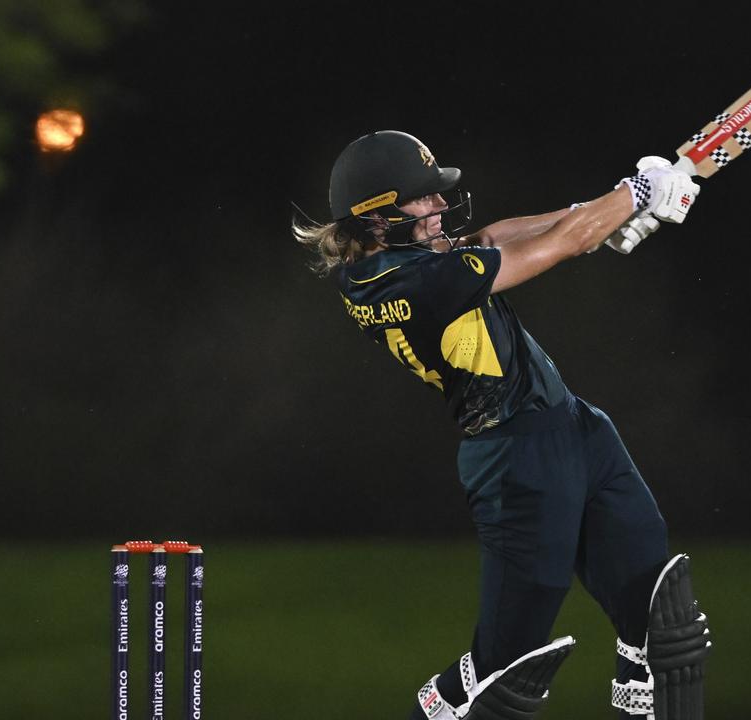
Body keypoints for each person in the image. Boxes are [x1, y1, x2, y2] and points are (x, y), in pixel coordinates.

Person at [293, 130, 712, 720]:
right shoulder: (412, 282)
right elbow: (551, 248)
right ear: (375, 217)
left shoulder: (403, 259)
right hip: (516, 461)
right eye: (423, 200)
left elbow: (496, 234)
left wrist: (610, 206)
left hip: (577, 430)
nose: (439, 207)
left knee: (666, 628)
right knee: (506, 676)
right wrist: (635, 194)